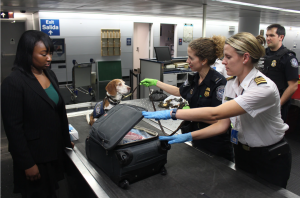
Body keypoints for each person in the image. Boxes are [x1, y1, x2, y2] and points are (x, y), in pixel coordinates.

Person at [142, 32, 292, 188]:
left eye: (228, 57)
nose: (223, 62)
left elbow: (216, 113)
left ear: (245, 58)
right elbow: (222, 124)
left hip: (269, 156)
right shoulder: (231, 84)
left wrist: (172, 113)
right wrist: (187, 136)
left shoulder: (262, 88)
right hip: (242, 152)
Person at [1, 30, 74, 197]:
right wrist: (27, 164)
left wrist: (66, 140)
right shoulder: (13, 83)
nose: (49, 58)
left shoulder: (50, 75)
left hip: (53, 152)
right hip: (35, 158)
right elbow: (14, 130)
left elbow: (58, 113)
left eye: (50, 53)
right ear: (27, 54)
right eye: (43, 54)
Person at [140, 35, 234, 162]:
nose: (187, 61)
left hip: (214, 143)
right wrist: (156, 82)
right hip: (196, 136)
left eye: (191, 58)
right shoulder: (194, 78)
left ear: (204, 60)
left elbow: (217, 120)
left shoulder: (219, 83)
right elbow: (180, 91)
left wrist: (180, 114)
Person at [262, 24, 298, 122]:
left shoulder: (288, 57)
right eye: (267, 35)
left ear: (281, 37)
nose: (268, 38)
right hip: (261, 100)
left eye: (272, 35)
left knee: (275, 134)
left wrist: (278, 104)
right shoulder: (262, 55)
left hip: (277, 103)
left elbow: (293, 85)